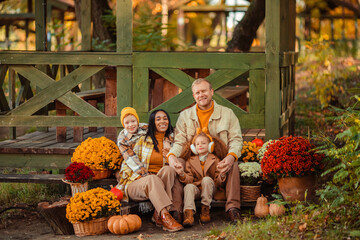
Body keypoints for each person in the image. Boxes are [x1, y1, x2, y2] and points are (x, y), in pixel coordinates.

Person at [167, 78, 243, 222]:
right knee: (177, 164)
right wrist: (171, 156)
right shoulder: (185, 116)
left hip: (218, 159)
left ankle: (233, 208)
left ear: (211, 92)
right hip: (193, 161)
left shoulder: (227, 113)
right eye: (197, 93)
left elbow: (236, 140)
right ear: (194, 96)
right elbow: (179, 141)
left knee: (233, 164)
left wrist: (231, 156)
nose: (201, 95)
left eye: (204, 91)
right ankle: (177, 209)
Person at [117, 109, 183, 232]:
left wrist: (169, 148)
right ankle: (165, 216)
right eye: (158, 119)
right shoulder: (141, 140)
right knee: (152, 179)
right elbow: (128, 163)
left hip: (157, 183)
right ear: (152, 123)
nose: (162, 121)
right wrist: (143, 176)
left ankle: (158, 214)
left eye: (165, 118)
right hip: (135, 183)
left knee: (168, 170)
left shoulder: (172, 142)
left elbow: (175, 135)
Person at [174, 130, 228, 227]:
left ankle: (205, 209)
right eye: (197, 144)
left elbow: (218, 181)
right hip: (197, 190)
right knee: (189, 186)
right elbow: (189, 179)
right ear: (193, 148)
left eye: (203, 143)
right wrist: (182, 174)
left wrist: (222, 174)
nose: (200, 145)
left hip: (210, 189)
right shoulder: (190, 160)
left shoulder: (215, 159)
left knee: (206, 179)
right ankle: (188, 214)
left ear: (210, 146)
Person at [115, 107, 148, 183]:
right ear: (123, 124)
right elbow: (129, 156)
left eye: (133, 121)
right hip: (133, 163)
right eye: (127, 123)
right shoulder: (122, 139)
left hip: (146, 157)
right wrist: (142, 171)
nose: (131, 125)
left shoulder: (144, 128)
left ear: (137, 121)